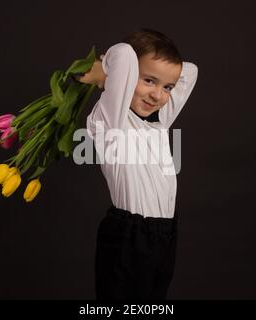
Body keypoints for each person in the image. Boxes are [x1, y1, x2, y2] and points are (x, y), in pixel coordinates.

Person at [77, 28, 198, 300]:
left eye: (166, 87)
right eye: (148, 80)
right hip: (129, 236)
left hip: (164, 233)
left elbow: (190, 71)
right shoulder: (110, 121)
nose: (157, 95)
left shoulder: (159, 121)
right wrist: (105, 72)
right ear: (128, 76)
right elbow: (124, 54)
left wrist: (157, 79)